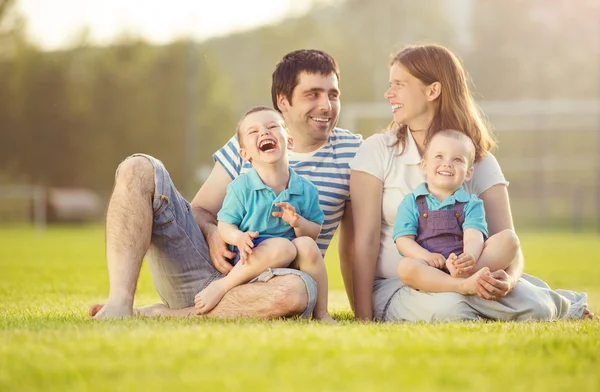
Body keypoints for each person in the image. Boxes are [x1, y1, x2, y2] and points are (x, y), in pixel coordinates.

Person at [89, 49, 362, 319]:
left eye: (333, 94)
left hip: (269, 284)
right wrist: (214, 233)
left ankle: (167, 315)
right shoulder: (246, 143)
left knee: (297, 292)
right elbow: (200, 211)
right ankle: (119, 305)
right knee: (136, 167)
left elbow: (358, 240)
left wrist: (364, 314)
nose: (326, 105)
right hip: (205, 270)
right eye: (312, 94)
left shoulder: (355, 152)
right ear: (284, 101)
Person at [350, 43, 591, 322]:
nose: (388, 93)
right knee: (451, 309)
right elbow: (364, 242)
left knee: (539, 309)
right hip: (401, 284)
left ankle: (546, 302)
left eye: (399, 84)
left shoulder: (478, 160)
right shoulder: (377, 150)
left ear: (432, 91)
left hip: (472, 275)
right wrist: (363, 319)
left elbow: (509, 244)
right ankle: (549, 304)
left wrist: (509, 281)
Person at [194, 106, 334, 322]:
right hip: (250, 259)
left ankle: (321, 313)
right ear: (245, 154)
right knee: (283, 246)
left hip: (288, 263)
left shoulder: (306, 190)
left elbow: (314, 231)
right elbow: (224, 224)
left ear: (290, 141)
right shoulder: (241, 187)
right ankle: (223, 286)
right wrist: (238, 237)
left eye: (272, 127)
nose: (264, 133)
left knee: (306, 245)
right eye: (253, 131)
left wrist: (298, 222)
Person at [394, 129, 520, 294]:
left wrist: (469, 257)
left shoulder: (471, 203)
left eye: (457, 159)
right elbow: (403, 240)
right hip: (430, 268)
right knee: (405, 267)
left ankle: (468, 276)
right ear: (424, 165)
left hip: (464, 265)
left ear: (468, 173)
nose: (447, 164)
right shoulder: (412, 202)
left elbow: (474, 235)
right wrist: (426, 257)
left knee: (509, 239)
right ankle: (461, 286)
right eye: (439, 156)